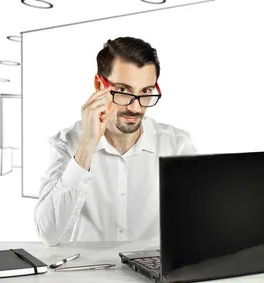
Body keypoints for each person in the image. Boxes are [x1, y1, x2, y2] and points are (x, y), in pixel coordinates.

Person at [33, 36, 197, 247]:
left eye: (145, 91)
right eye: (123, 90)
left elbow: (199, 221)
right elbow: (49, 235)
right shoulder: (66, 143)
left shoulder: (176, 145)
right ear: (98, 84)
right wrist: (87, 145)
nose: (135, 108)